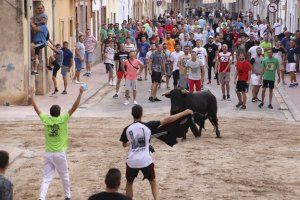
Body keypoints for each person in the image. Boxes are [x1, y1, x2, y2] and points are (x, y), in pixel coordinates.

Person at [120, 105, 193, 200]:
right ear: (142, 114)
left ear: (132, 115)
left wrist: (131, 142)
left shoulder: (127, 129)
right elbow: (167, 120)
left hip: (132, 161)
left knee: (129, 183)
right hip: (145, 160)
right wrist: (184, 113)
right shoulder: (148, 126)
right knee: (153, 182)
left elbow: (124, 144)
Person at [29, 86, 84, 200]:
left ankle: (41, 198)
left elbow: (36, 108)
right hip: (59, 153)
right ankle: (68, 196)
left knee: (46, 178)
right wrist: (80, 94)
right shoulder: (63, 119)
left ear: (50, 113)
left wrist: (32, 95)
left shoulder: (46, 119)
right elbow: (74, 107)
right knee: (64, 176)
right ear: (59, 113)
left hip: (48, 153)